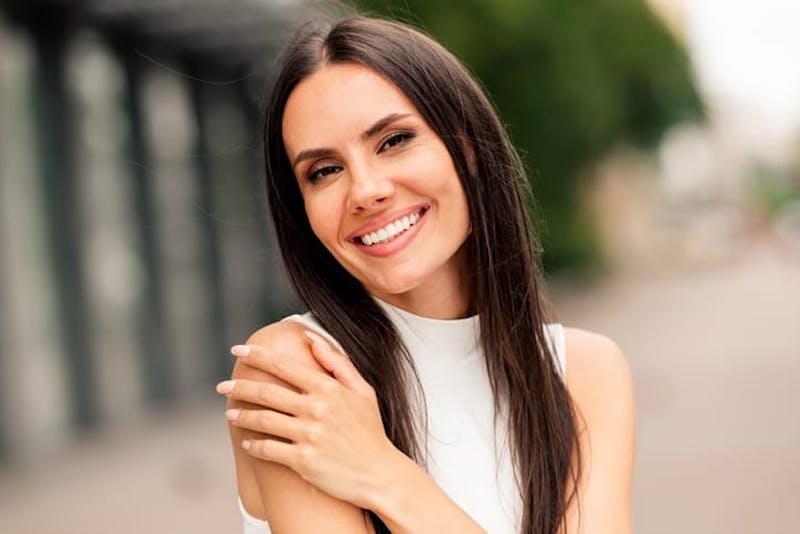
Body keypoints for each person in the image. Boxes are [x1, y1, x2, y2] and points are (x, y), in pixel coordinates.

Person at [214, 14, 635, 534]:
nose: (365, 190)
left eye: (393, 141)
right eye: (324, 171)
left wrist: (385, 476)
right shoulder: (298, 371)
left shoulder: (585, 372)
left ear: (469, 148)